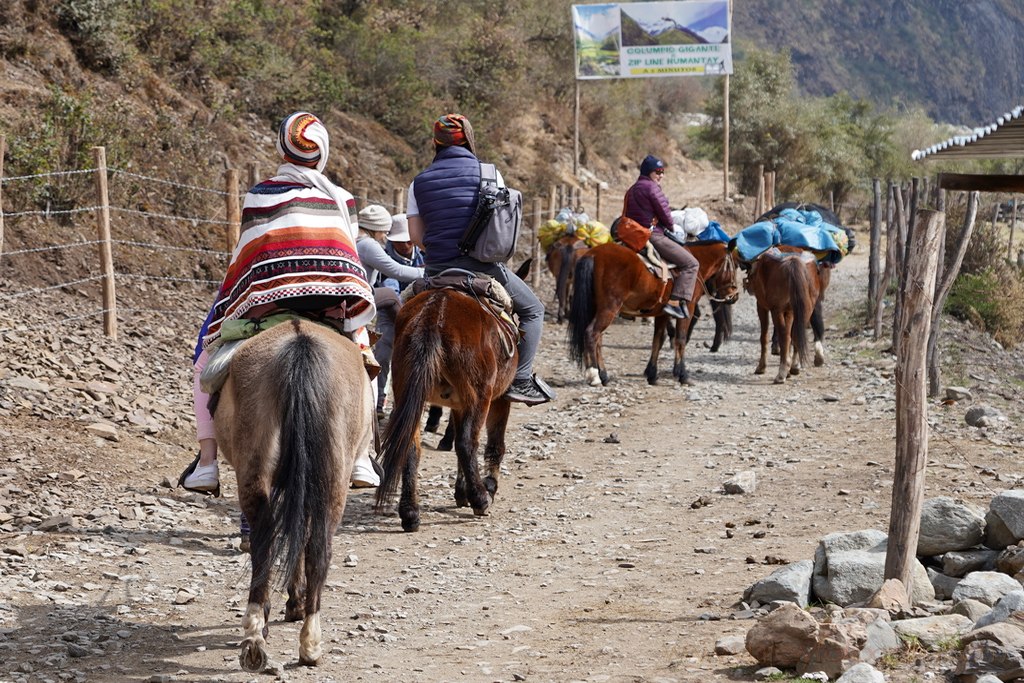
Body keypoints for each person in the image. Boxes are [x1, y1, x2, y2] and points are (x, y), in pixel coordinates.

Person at [180, 111, 381, 495]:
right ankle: (360, 457)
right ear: (323, 153)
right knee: (364, 362)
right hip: (329, 307)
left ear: (281, 148)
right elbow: (348, 252)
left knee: (204, 357)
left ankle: (206, 464)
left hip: (268, 304)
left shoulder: (260, 194)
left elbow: (248, 254)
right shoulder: (343, 198)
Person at [406, 113, 553, 406]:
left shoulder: (418, 182)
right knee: (534, 310)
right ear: (469, 139)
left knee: (399, 316)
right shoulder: (490, 174)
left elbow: (415, 237)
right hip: (482, 268)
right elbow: (500, 230)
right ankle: (521, 379)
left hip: (435, 270)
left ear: (436, 143)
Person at [354, 204, 425, 417]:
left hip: (361, 293)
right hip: (362, 293)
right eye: (384, 231)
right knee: (391, 296)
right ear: (376, 228)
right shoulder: (368, 244)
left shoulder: (355, 238)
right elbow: (394, 270)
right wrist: (427, 272)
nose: (385, 236)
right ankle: (409, 330)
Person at [623, 155, 698, 319]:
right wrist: (672, 228)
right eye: (658, 171)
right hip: (652, 236)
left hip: (631, 236)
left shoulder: (632, 189)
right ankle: (674, 303)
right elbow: (666, 217)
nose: (661, 175)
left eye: (663, 172)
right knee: (691, 263)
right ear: (648, 172)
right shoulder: (652, 189)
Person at [381, 213, 424, 295]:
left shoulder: (425, 255)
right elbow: (391, 291)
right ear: (392, 241)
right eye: (399, 242)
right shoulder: (384, 259)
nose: (405, 246)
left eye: (409, 241)